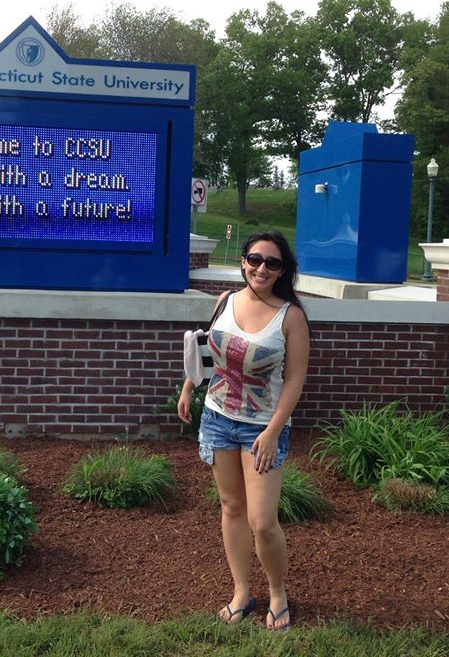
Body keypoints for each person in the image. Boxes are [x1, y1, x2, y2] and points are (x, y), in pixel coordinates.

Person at [178, 229, 310, 631]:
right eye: (255, 259)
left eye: (272, 262)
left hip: (261, 429)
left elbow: (294, 379)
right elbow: (208, 351)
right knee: (232, 509)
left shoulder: (291, 316)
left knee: (263, 520)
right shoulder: (224, 301)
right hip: (218, 418)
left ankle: (277, 593)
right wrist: (187, 387)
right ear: (243, 261)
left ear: (282, 269)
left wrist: (272, 431)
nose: (261, 268)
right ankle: (241, 591)